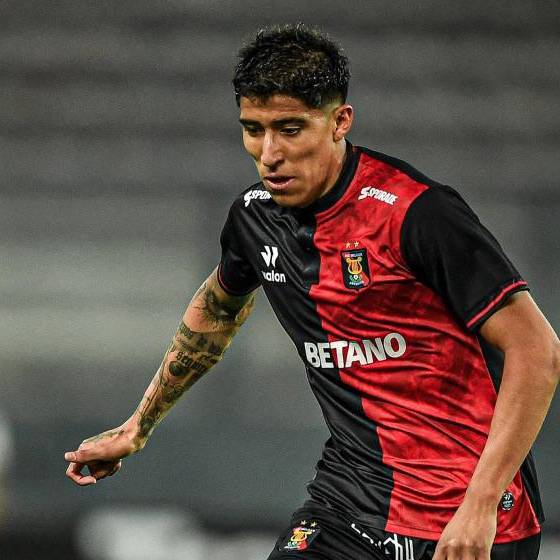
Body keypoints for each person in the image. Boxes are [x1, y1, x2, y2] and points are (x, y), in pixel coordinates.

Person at [64, 24, 559, 560]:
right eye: (253, 130)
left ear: (340, 122)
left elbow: (537, 350)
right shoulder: (254, 220)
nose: (269, 153)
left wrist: (480, 504)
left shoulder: (418, 213)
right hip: (348, 502)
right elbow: (217, 307)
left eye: (290, 129)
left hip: (469, 515)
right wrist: (138, 426)